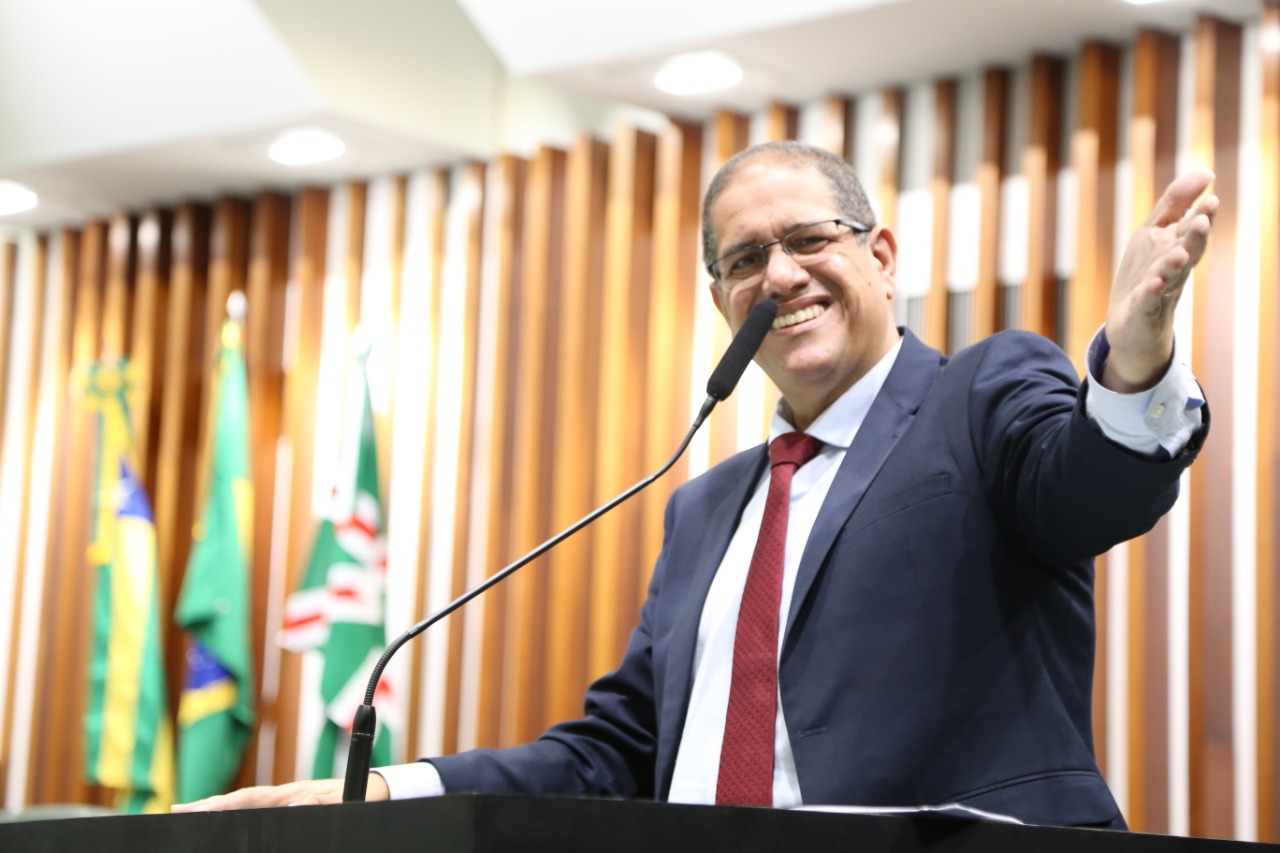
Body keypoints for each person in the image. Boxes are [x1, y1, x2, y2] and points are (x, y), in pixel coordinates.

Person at [173, 141, 1215, 827]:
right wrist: (387, 788)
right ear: (721, 300)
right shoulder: (703, 505)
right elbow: (616, 752)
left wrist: (1132, 362)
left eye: (809, 239)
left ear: (882, 256)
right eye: (744, 258)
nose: (779, 276)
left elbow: (1093, 493)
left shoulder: (980, 392)